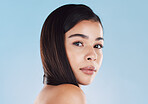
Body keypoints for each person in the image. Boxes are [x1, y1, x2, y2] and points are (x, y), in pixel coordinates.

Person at [34, 4, 104, 104]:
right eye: (79, 43)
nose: (92, 56)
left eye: (97, 46)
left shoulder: (47, 93)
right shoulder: (70, 94)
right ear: (56, 46)